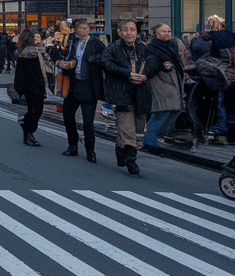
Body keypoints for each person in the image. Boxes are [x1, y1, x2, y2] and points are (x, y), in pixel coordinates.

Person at [100, 20, 150, 175]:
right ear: (120, 32)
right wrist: (127, 73)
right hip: (121, 92)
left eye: (132, 30)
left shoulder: (143, 48)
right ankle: (130, 159)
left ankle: (122, 151)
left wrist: (145, 76)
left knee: (138, 128)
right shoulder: (113, 48)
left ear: (137, 32)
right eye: (126, 30)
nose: (129, 33)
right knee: (126, 127)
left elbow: (153, 63)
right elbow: (106, 64)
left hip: (140, 92)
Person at [56, 19, 104, 162]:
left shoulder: (95, 43)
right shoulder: (72, 42)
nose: (84, 30)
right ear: (75, 30)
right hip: (73, 83)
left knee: (88, 121)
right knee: (68, 115)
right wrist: (64, 63)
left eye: (86, 28)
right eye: (81, 28)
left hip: (88, 85)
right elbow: (63, 56)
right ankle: (72, 145)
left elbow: (103, 59)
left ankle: (90, 150)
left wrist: (92, 60)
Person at [141, 24, 184, 150]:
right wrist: (162, 66)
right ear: (157, 33)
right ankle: (150, 142)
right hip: (162, 84)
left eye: (169, 31)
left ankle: (155, 139)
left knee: (172, 110)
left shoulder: (171, 45)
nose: (167, 33)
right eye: (164, 31)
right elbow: (151, 64)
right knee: (161, 112)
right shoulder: (153, 48)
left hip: (172, 84)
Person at [13, 29, 49, 147]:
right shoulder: (32, 53)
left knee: (32, 110)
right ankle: (28, 132)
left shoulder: (22, 53)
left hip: (27, 86)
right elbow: (42, 69)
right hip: (34, 86)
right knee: (36, 111)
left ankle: (27, 131)